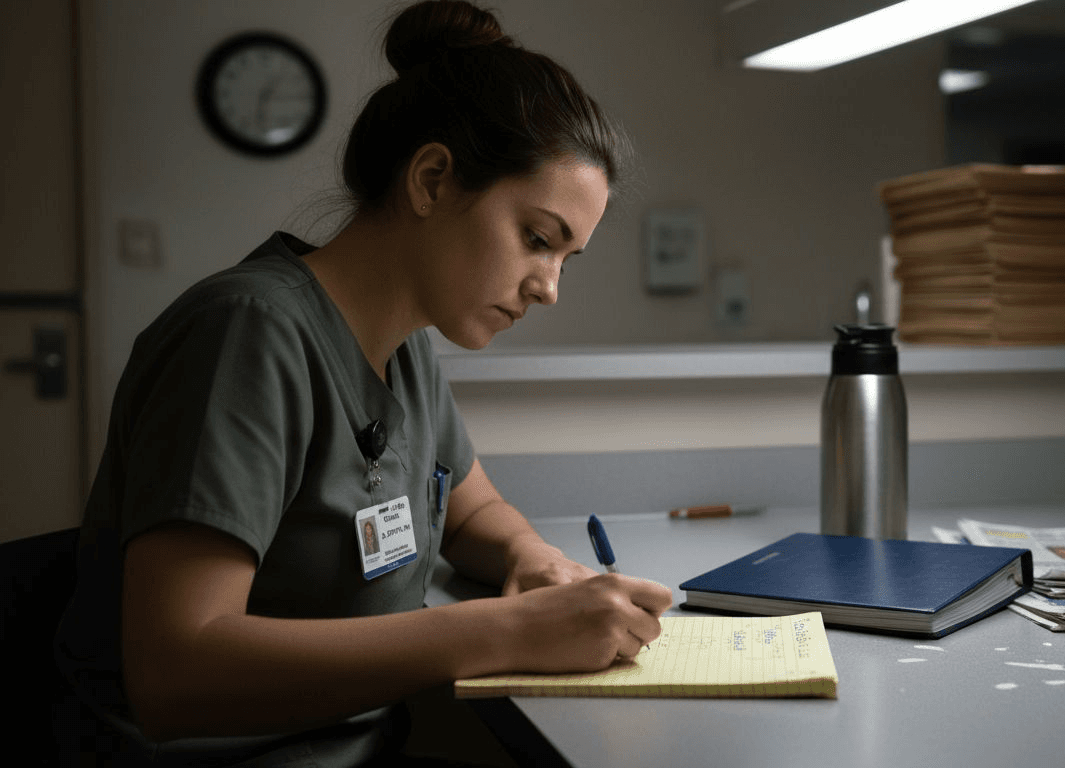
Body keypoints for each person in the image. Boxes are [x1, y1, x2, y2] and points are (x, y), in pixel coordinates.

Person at [53, 2, 674, 765]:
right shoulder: (247, 334)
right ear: (432, 179)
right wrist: (510, 631)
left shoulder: (406, 350)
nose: (548, 287)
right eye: (537, 239)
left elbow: (472, 507)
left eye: (565, 257)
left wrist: (527, 555)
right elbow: (175, 669)